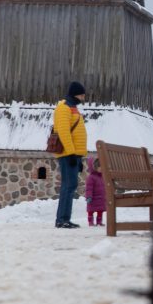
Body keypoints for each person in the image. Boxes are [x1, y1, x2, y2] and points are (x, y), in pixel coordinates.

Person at [53, 81, 88, 228]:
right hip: (68, 154)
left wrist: (78, 157)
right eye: (81, 95)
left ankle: (65, 218)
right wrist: (71, 153)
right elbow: (64, 132)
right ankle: (61, 219)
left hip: (73, 154)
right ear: (75, 94)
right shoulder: (64, 108)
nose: (83, 98)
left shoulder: (72, 108)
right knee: (68, 186)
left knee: (71, 185)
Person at [85, 157, 106, 227]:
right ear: (94, 167)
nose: (101, 168)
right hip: (93, 198)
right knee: (90, 211)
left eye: (102, 166)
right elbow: (89, 188)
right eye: (99, 167)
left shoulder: (102, 177)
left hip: (100, 198)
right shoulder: (91, 178)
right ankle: (90, 221)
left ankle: (99, 222)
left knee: (100, 210)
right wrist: (88, 197)